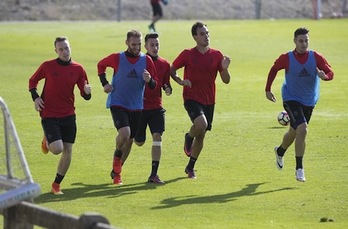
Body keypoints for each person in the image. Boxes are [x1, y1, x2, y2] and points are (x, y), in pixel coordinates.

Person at [265, 27, 334, 182]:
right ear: (295, 41)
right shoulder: (286, 58)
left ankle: (280, 151)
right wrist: (268, 89)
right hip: (291, 98)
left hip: (309, 100)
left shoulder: (316, 57)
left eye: (306, 40)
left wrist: (325, 76)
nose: (304, 44)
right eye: (301, 41)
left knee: (295, 132)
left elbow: (330, 73)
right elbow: (274, 69)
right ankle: (299, 168)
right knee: (303, 128)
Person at [28, 36, 92, 195]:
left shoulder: (78, 69)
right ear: (56, 51)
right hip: (49, 113)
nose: (64, 51)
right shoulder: (48, 66)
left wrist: (87, 93)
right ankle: (47, 140)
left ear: (70, 48)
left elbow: (85, 93)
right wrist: (35, 97)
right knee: (57, 149)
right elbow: (32, 81)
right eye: (61, 49)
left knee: (68, 150)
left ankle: (56, 184)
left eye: (67, 48)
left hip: (69, 114)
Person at [170, 21, 231, 179]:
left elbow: (226, 80)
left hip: (209, 100)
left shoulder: (217, 55)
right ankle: (188, 137)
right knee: (201, 125)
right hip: (191, 97)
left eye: (207, 33)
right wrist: (180, 81)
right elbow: (172, 69)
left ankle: (190, 167)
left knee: (202, 134)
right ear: (195, 37)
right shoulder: (187, 54)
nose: (206, 36)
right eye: (202, 34)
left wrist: (224, 68)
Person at [97, 30, 157, 185]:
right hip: (118, 102)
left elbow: (154, 84)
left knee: (130, 141)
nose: (136, 47)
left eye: (138, 44)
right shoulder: (118, 58)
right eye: (133, 44)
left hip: (136, 106)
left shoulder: (147, 60)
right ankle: (117, 158)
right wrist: (105, 84)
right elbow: (101, 65)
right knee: (125, 133)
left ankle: (117, 171)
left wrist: (149, 80)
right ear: (127, 42)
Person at [133, 32, 172, 184]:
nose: (155, 47)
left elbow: (166, 83)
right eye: (152, 45)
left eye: (157, 44)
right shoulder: (139, 62)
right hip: (140, 108)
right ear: (145, 46)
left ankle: (153, 174)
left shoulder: (164, 64)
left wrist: (168, 89)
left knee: (158, 136)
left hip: (156, 107)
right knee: (139, 141)